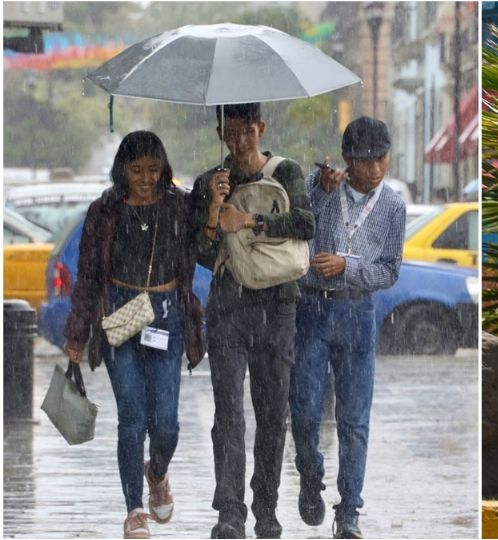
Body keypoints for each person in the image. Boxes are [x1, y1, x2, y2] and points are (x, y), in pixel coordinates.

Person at [64, 131, 205, 539]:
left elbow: (209, 239)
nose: (146, 178)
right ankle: (134, 509)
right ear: (122, 170)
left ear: (164, 169)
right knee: (132, 417)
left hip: (167, 316)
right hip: (120, 316)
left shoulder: (180, 206)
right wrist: (77, 336)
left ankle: (156, 472)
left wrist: (212, 202)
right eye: (137, 170)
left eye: (153, 170)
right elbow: (88, 276)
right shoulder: (104, 211)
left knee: (167, 423)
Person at [191, 103, 316, 539]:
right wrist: (213, 210)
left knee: (271, 412)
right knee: (227, 413)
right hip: (228, 307)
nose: (240, 142)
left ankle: (266, 506)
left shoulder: (287, 172)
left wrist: (250, 219)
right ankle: (230, 511)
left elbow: (305, 223)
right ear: (221, 132)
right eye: (231, 132)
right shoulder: (209, 182)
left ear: (261, 129)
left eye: (248, 132)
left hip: (279, 306)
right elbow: (203, 256)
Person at [289, 116, 406, 539]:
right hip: (311, 310)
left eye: (382, 159)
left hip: (358, 314)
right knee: (303, 409)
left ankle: (349, 511)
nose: (375, 169)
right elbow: (299, 228)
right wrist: (320, 192)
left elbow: (391, 270)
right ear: (347, 160)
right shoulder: (319, 187)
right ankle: (310, 472)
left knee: (354, 419)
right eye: (366, 161)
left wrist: (348, 267)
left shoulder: (392, 206)